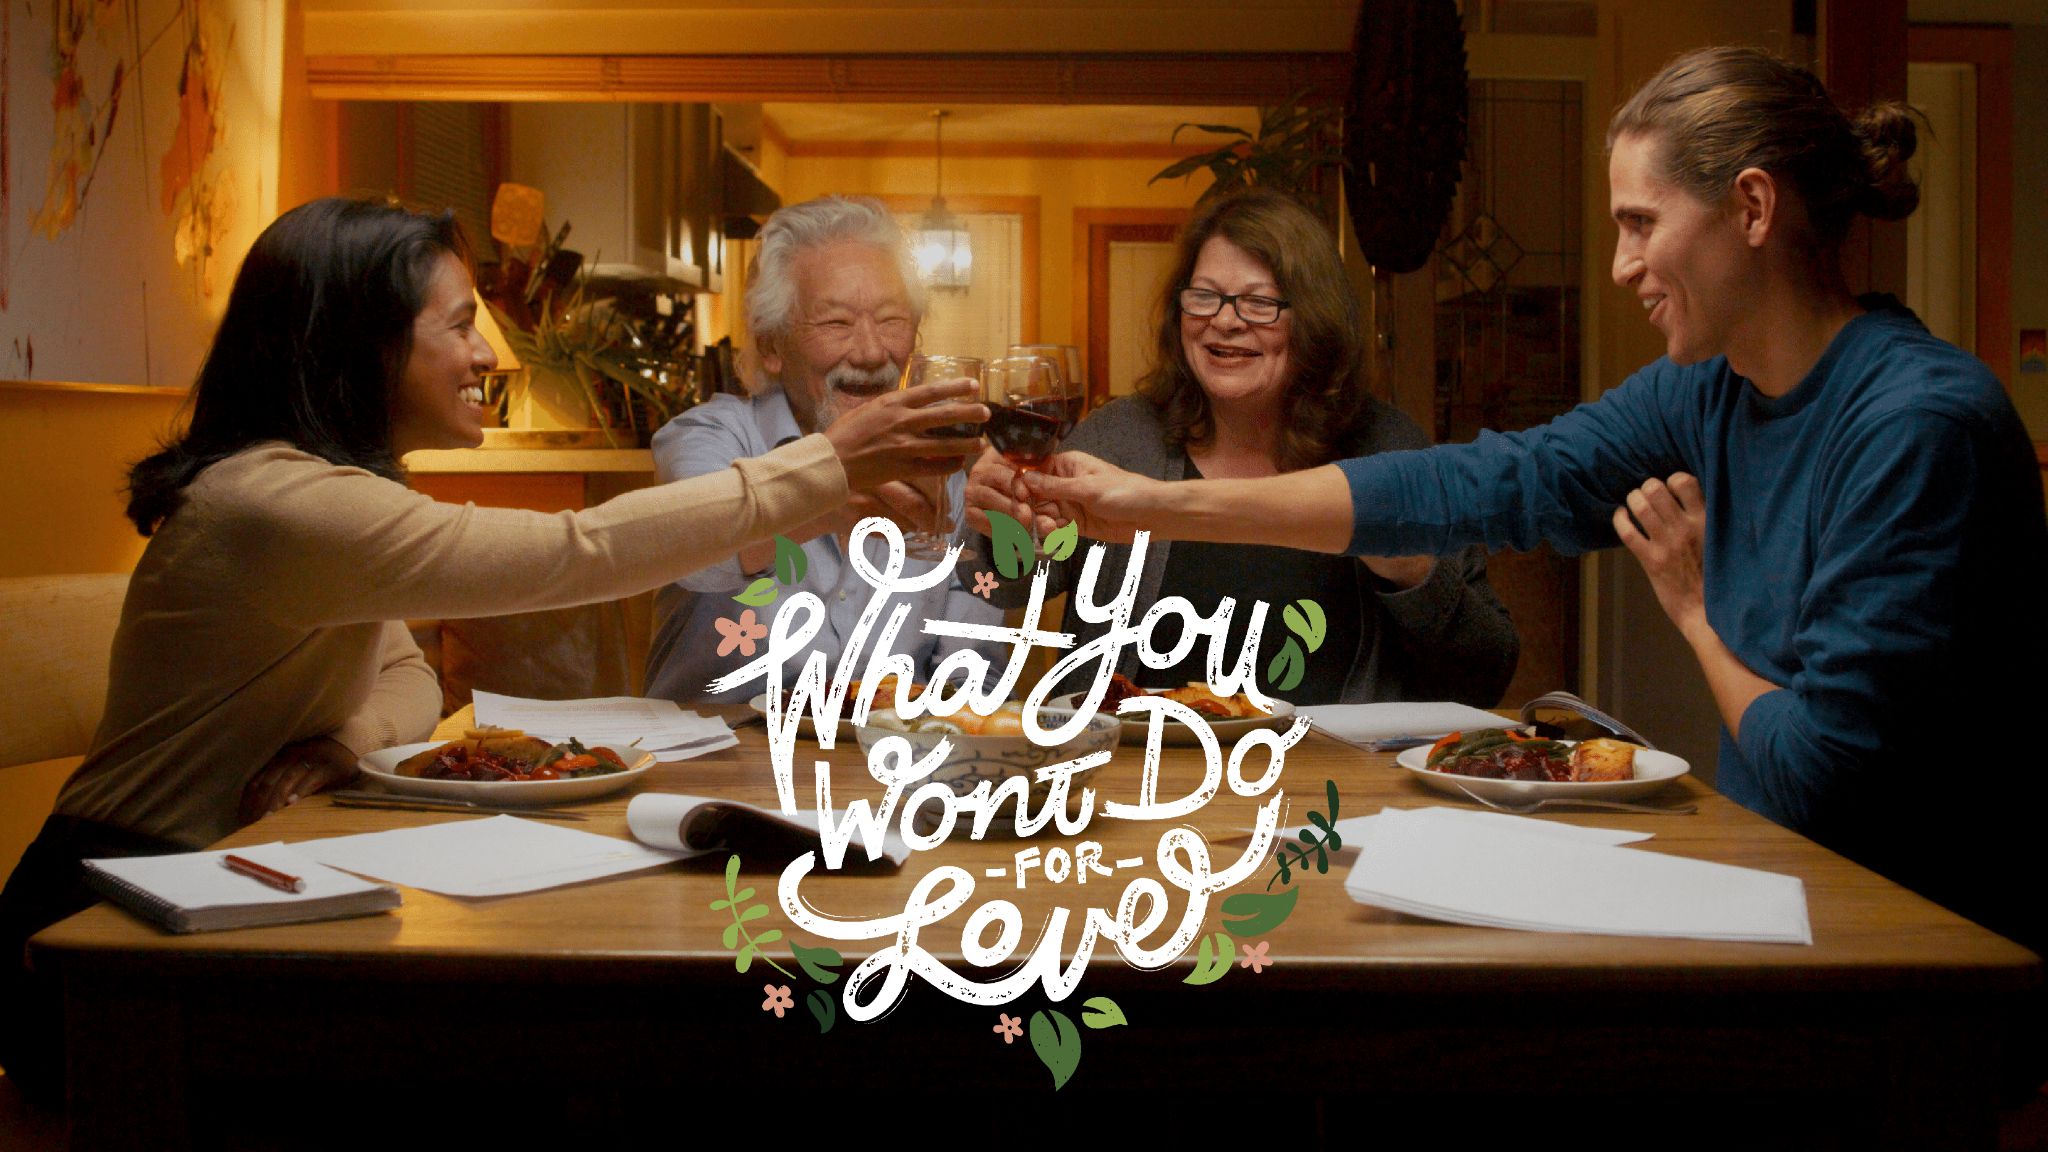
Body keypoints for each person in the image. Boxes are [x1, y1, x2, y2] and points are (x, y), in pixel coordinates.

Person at [1024, 48, 2048, 963]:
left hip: (1915, 962)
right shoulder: (1707, 389)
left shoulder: (1915, 427)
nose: (1620, 267)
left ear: (1749, 207)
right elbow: (1486, 482)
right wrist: (1158, 505)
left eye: (1640, 224)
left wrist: (1696, 615)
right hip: (1785, 901)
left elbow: (1819, 778)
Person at [0, 196, 985, 1102]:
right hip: (109, 939)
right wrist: (827, 466)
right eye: (460, 323)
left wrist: (337, 744)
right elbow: (576, 555)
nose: (489, 355)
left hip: (242, 894)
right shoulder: (276, 505)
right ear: (366, 344)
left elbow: (405, 678)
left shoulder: (323, 501)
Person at [969, 189, 1516, 707]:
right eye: (1204, 296)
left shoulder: (1388, 447)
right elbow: (996, 590)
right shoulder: (1120, 438)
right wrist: (1000, 531)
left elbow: (1485, 675)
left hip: (1335, 788)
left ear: (1314, 321)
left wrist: (1413, 570)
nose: (1225, 321)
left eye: (1258, 303)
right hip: (1136, 776)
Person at [644, 196, 1000, 707]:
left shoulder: (949, 472)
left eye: (892, 320)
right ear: (771, 344)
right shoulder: (707, 440)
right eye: (836, 323)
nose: (872, 352)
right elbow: (695, 547)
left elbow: (972, 677)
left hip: (884, 769)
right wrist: (830, 491)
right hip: (715, 764)